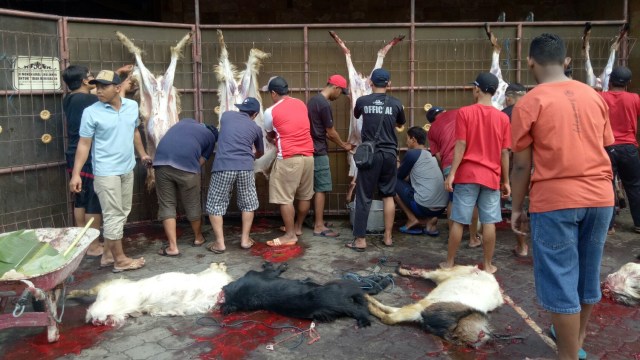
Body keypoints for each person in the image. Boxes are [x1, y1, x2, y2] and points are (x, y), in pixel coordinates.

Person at [511, 33, 614, 360]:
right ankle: (576, 341)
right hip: (601, 198)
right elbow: (605, 144)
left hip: (556, 200)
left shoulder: (529, 102)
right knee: (586, 274)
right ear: (566, 61)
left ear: (530, 62)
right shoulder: (595, 96)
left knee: (560, 279)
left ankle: (568, 355)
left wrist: (515, 207)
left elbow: (522, 164)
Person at [69, 70, 150, 273]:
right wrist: (76, 173)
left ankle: (107, 255)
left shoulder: (131, 106)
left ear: (117, 88)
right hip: (106, 172)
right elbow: (84, 144)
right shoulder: (91, 112)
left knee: (123, 212)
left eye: (104, 86)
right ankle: (120, 260)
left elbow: (134, 132)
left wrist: (142, 154)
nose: (98, 91)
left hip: (127, 167)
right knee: (113, 215)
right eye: (97, 86)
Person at [442, 72, 511, 274]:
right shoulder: (503, 118)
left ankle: (450, 263)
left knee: (459, 221)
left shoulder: (465, 112)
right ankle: (488, 265)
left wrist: (452, 173)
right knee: (489, 221)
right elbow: (504, 152)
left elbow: (461, 144)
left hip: (468, 174)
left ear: (477, 89)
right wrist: (506, 180)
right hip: (491, 176)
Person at [347, 68, 406, 251]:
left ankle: (360, 240)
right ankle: (388, 236)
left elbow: (357, 115)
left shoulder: (363, 101)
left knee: (364, 196)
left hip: (370, 154)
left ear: (370, 83)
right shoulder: (397, 104)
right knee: (388, 194)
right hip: (389, 154)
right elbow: (400, 124)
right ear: (389, 84)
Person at [152, 118, 217, 257]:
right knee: (192, 203)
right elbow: (201, 161)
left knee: (167, 204)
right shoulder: (211, 137)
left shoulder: (186, 121)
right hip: (187, 166)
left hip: (160, 162)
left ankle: (173, 247)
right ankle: (198, 238)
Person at [206, 97, 264, 253]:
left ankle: (220, 243)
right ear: (256, 114)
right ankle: (245, 240)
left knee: (216, 204)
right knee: (248, 203)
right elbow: (260, 152)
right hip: (245, 167)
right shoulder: (256, 128)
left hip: (224, 166)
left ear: (240, 109)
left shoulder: (226, 116)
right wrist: (253, 155)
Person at [263, 77, 314, 247]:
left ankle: (290, 235)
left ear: (273, 93)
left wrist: (272, 139)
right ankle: (297, 227)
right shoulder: (300, 103)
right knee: (305, 195)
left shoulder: (270, 111)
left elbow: (270, 133)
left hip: (289, 158)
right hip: (308, 157)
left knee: (285, 198)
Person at [61, 65, 103, 258]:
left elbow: (93, 91)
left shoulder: (70, 99)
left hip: (73, 153)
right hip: (85, 155)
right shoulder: (89, 100)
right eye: (91, 77)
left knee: (80, 199)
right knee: (93, 200)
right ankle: (94, 246)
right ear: (85, 81)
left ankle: (83, 243)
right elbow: (107, 96)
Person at [427, 106, 481, 247]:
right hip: (467, 161)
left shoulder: (432, 130)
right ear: (443, 112)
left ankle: (453, 237)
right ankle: (473, 238)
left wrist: (447, 171)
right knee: (472, 200)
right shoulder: (458, 112)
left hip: (448, 165)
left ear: (432, 120)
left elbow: (438, 156)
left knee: (453, 200)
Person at [307, 74, 353, 238]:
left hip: (309, 150)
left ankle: (314, 220)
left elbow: (317, 128)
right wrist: (344, 145)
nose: (339, 96)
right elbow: (330, 131)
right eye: (340, 92)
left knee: (311, 188)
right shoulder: (324, 104)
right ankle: (319, 226)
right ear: (336, 88)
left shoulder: (313, 101)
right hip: (319, 151)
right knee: (322, 188)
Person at [600, 66, 640, 235]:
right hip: (629, 148)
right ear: (628, 83)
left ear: (610, 81)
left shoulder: (600, 97)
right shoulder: (635, 99)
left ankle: (609, 226)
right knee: (635, 186)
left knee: (607, 186)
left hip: (607, 147)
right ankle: (638, 223)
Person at [396, 127, 448, 236]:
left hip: (424, 206)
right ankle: (429, 221)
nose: (406, 141)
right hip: (441, 208)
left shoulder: (412, 154)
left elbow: (398, 176)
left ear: (413, 140)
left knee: (391, 182)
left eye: (407, 138)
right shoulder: (430, 155)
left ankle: (412, 219)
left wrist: (397, 162)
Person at [501, 82, 529, 257]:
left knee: (518, 206)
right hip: (539, 166)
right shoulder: (534, 111)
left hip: (514, 166)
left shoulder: (503, 116)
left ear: (508, 98)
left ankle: (522, 246)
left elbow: (503, 148)